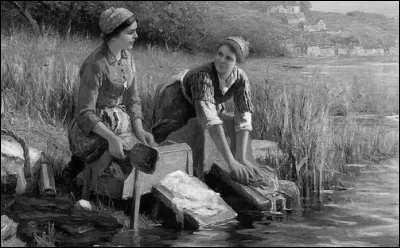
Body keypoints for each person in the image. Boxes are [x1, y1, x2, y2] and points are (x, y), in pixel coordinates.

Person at [152, 37, 266, 185]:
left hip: (202, 99)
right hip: (178, 95)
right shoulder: (203, 76)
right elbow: (211, 121)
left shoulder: (241, 79)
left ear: (236, 62)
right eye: (220, 54)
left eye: (229, 58)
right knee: (167, 131)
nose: (222, 60)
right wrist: (231, 162)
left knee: (209, 121)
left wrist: (241, 158)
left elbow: (243, 116)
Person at [63, 7, 155, 184]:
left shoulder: (128, 58)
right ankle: (78, 172)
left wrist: (139, 129)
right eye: (130, 32)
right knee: (120, 157)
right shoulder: (95, 64)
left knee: (144, 154)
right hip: (92, 130)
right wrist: (111, 138)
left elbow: (133, 99)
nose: (136, 36)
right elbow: (84, 113)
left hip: (119, 123)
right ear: (114, 34)